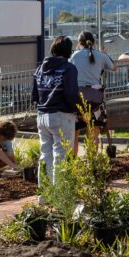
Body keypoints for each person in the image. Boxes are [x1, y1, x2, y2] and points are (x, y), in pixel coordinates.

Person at [32, 36, 80, 181]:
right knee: (61, 155)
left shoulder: (40, 68)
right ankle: (61, 195)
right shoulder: (68, 68)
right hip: (61, 115)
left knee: (45, 154)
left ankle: (44, 194)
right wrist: (80, 110)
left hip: (42, 115)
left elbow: (34, 95)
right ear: (69, 51)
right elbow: (71, 93)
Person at [70, 31, 118, 156]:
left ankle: (73, 160)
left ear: (79, 43)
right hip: (95, 97)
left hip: (78, 97)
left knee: (75, 132)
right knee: (94, 130)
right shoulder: (101, 56)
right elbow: (114, 67)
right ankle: (92, 161)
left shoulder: (74, 56)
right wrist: (104, 55)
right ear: (94, 42)